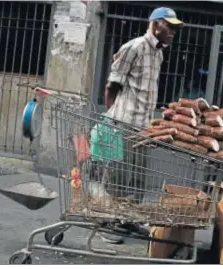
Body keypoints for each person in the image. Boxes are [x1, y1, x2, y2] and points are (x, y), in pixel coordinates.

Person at [97, 7, 184, 244]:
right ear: (155, 24)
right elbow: (111, 86)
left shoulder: (159, 53)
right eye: (170, 26)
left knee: (137, 177)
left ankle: (128, 219)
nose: (173, 32)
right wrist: (112, 120)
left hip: (143, 127)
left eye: (176, 28)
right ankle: (107, 223)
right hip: (124, 123)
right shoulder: (133, 47)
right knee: (117, 175)